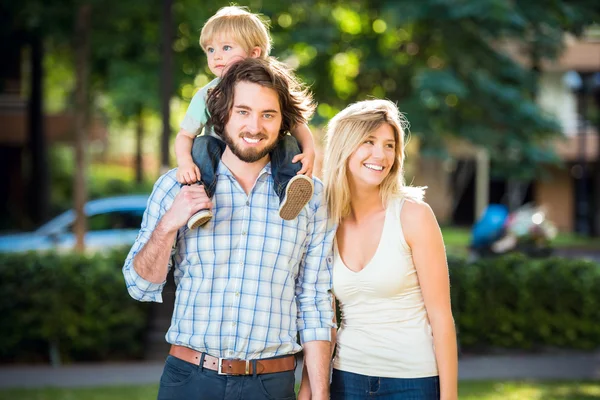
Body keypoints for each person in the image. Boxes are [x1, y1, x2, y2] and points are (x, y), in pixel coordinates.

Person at [123, 58, 336, 400]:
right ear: (221, 115)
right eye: (243, 111)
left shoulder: (310, 198)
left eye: (268, 114)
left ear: (284, 122)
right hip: (189, 379)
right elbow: (139, 284)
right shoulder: (176, 185)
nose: (255, 126)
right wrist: (169, 224)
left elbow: (314, 300)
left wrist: (320, 392)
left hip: (271, 383)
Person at [306, 99, 458, 399]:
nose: (381, 154)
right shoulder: (325, 220)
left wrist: (449, 395)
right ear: (344, 146)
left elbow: (441, 316)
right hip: (347, 377)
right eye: (369, 141)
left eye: (390, 145)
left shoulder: (413, 215)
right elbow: (322, 317)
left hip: (413, 380)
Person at [175, 6, 315, 229]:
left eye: (226, 48)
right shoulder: (208, 95)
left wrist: (309, 151)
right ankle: (199, 200)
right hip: (219, 154)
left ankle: (289, 190)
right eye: (210, 50)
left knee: (287, 141)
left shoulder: (275, 87)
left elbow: (298, 125)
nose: (216, 56)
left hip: (260, 151)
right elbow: (185, 135)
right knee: (202, 143)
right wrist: (185, 163)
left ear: (254, 53)